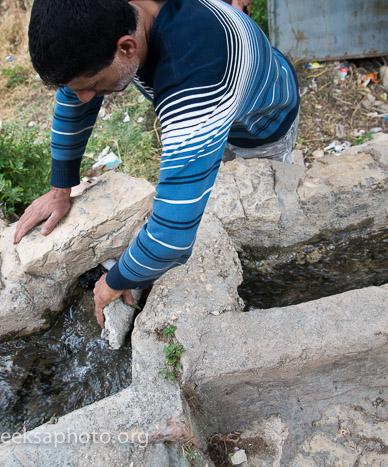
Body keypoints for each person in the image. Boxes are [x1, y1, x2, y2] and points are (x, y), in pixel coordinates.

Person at [15, 0, 299, 328]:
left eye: (92, 86)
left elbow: (172, 235)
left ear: (127, 48)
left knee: (262, 218)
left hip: (262, 122)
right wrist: (59, 189)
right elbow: (74, 94)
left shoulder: (195, 79)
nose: (85, 96)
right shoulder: (117, 17)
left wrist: (113, 282)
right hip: (222, 87)